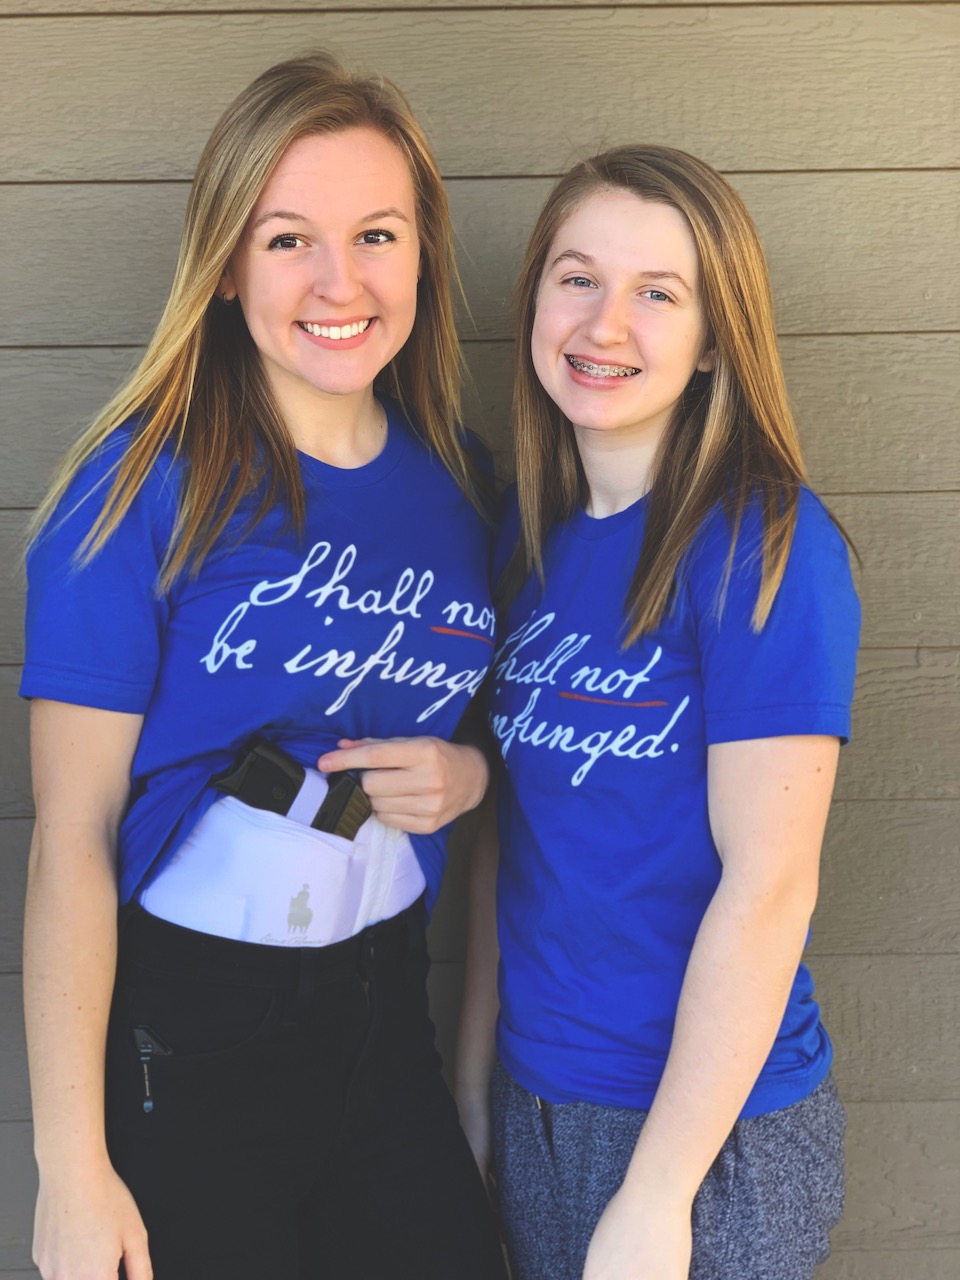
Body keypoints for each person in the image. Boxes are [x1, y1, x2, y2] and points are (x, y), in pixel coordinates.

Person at [21, 51, 507, 1280]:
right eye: (288, 239)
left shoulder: (465, 485)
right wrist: (71, 1171)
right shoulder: (137, 490)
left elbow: (507, 732)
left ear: (422, 254)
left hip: (385, 1019)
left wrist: (466, 773)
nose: (339, 282)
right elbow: (70, 834)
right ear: (228, 266)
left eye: (377, 234)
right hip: (196, 1043)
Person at [455, 145, 860, 1280]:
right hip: (540, 1092)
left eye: (658, 292)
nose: (605, 323)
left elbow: (769, 882)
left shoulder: (763, 548)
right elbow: (513, 838)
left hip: (707, 1126)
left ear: (716, 336)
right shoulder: (525, 541)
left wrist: (659, 1189)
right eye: (577, 276)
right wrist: (478, 1076)